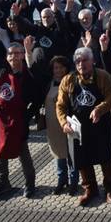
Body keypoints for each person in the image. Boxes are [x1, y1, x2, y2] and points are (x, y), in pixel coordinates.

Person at [57, 46, 111, 206]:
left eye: (85, 60)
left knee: (106, 158)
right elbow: (60, 105)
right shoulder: (68, 80)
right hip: (77, 129)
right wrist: (64, 122)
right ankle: (90, 189)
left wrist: (100, 109)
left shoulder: (103, 76)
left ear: (92, 61)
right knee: (82, 160)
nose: (81, 64)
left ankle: (110, 189)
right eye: (78, 61)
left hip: (100, 126)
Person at [0, 41, 42, 199]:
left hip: (18, 121)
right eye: (10, 54)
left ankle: (30, 184)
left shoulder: (29, 75)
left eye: (17, 53)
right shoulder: (1, 71)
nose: (13, 56)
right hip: (0, 120)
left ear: (22, 55)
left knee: (23, 154)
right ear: (6, 57)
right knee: (0, 152)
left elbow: (38, 99)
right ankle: (3, 183)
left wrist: (27, 116)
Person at [43, 54, 78, 196]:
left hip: (68, 124)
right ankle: (61, 180)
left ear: (66, 68)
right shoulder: (49, 83)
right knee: (58, 153)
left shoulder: (72, 82)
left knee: (72, 155)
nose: (57, 70)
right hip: (53, 126)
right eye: (55, 68)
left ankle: (73, 182)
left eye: (60, 67)